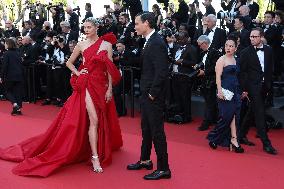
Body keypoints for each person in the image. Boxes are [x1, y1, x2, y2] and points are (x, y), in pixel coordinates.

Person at [0, 17, 123, 177]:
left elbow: (108, 68)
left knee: (98, 117)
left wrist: (109, 89)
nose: (86, 30)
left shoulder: (107, 45)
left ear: (96, 28)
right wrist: (79, 73)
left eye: (89, 27)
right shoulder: (81, 44)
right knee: (94, 119)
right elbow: (69, 62)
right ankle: (95, 157)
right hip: (86, 83)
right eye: (84, 27)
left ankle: (90, 149)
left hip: (101, 86)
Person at [127, 12, 171, 180]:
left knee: (157, 131)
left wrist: (153, 93)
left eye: (137, 23)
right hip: (146, 93)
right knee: (146, 129)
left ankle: (164, 168)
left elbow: (161, 72)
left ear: (146, 23)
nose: (135, 26)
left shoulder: (157, 42)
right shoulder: (148, 41)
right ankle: (145, 160)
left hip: (153, 95)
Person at [239, 27, 277, 155]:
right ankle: (266, 144)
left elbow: (270, 68)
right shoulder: (245, 52)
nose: (252, 39)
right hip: (252, 87)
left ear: (261, 37)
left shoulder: (269, 50)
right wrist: (245, 89)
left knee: (251, 111)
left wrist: (268, 84)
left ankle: (241, 136)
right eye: (251, 36)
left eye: (254, 37)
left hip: (264, 87)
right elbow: (242, 73)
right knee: (259, 113)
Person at [207, 37, 244, 153]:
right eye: (227, 45)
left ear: (235, 48)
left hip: (236, 91)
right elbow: (218, 77)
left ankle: (234, 140)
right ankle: (214, 137)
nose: (228, 48)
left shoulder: (237, 60)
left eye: (231, 46)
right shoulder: (221, 60)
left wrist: (242, 90)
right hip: (225, 91)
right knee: (226, 116)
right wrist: (219, 91)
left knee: (234, 116)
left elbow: (239, 76)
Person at [0, 38, 24, 115]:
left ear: (8, 44)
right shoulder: (18, 52)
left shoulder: (6, 53)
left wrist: (1, 76)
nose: (5, 45)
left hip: (10, 76)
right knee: (18, 92)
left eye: (6, 43)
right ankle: (18, 110)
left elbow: (4, 66)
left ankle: (15, 104)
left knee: (7, 91)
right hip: (19, 75)